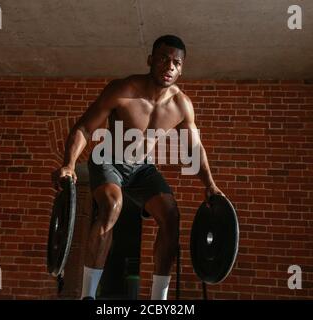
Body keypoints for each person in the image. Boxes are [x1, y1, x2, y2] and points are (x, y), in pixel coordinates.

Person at [53, 35, 224, 300]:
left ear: (181, 69)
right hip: (108, 159)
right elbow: (85, 127)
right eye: (164, 59)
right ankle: (88, 295)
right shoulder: (123, 90)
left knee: (171, 215)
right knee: (112, 206)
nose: (169, 66)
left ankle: (159, 299)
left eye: (176, 63)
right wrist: (69, 164)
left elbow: (194, 149)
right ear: (150, 60)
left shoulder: (181, 106)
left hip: (142, 168)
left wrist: (210, 185)